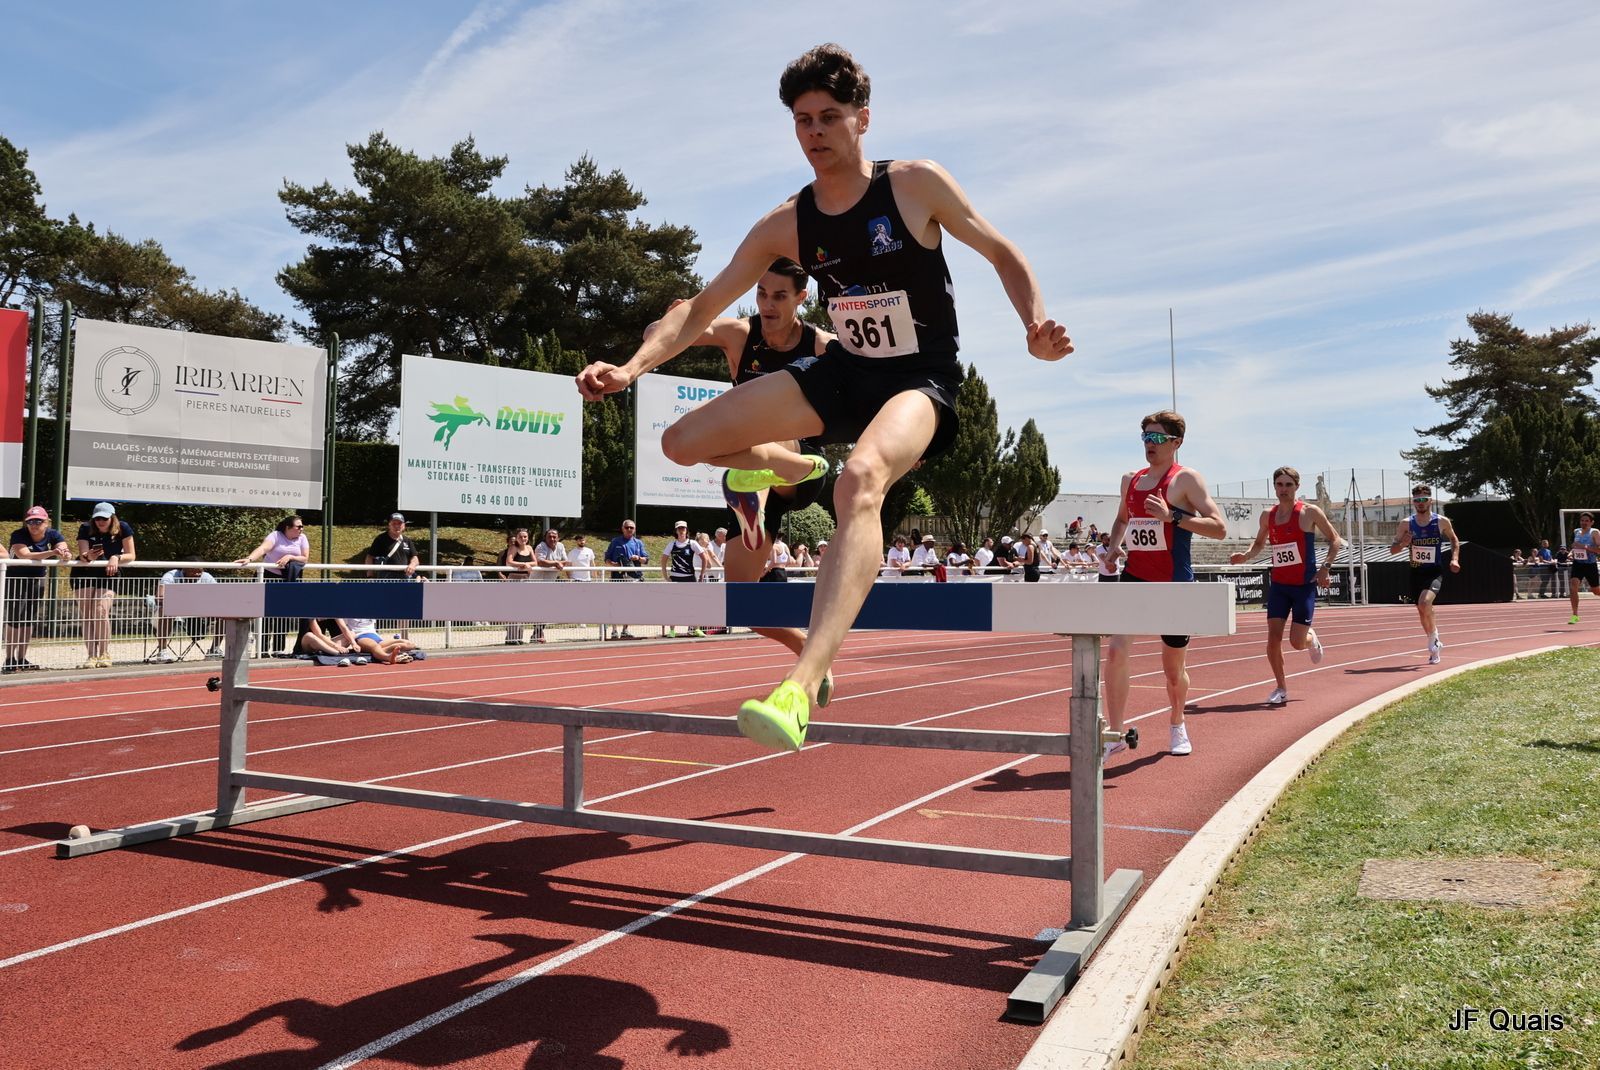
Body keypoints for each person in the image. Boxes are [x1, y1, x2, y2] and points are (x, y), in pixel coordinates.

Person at [575, 43, 1071, 751]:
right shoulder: (790, 223)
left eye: (829, 118)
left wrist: (1033, 325)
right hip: (844, 376)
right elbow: (698, 305)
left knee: (863, 480)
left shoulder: (914, 186)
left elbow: (1000, 250)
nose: (814, 133)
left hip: (918, 382)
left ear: (862, 120)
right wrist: (629, 369)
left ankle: (802, 684)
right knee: (681, 443)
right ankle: (791, 466)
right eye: (802, 120)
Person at [1103, 412, 1227, 758]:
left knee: (1173, 671)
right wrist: (1114, 546)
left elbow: (1219, 528)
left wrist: (1173, 516)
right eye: (1145, 437)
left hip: (1174, 583)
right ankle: (1114, 732)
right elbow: (1122, 519)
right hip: (1134, 578)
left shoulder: (1186, 480)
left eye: (1157, 438)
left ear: (1176, 443)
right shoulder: (1131, 479)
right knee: (1114, 651)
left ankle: (1177, 722)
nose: (1149, 444)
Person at [1229, 466, 1345, 705]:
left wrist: (1325, 567)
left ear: (1297, 487)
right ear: (1274, 487)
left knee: (1297, 643)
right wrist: (1246, 555)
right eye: (1279, 485)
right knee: (1272, 639)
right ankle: (1281, 688)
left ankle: (1311, 638)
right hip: (1280, 585)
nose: (1283, 490)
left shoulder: (1309, 513)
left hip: (1303, 586)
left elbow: (1335, 539)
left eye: (1288, 485)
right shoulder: (1267, 516)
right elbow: (1259, 543)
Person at [1388, 483, 1462, 664]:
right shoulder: (1406, 524)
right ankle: (1434, 639)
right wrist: (1404, 544)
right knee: (1422, 610)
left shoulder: (1441, 521)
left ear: (1430, 501)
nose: (1420, 503)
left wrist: (1454, 558)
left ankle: (1433, 640)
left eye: (1423, 499)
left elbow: (1454, 539)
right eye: (1416, 500)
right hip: (1416, 572)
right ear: (1413, 502)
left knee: (1425, 602)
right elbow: (1392, 550)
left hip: (1434, 572)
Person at [71, 502, 136, 669]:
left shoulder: (123, 528)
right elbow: (83, 554)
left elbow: (131, 554)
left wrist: (116, 557)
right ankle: (91, 655)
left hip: (108, 572)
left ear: (112, 518)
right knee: (87, 613)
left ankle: (104, 653)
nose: (100, 521)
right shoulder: (85, 527)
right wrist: (88, 555)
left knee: (100, 610)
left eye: (104, 518)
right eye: (97, 518)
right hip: (85, 572)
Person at [6, 506, 69, 672]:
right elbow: (24, 555)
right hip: (15, 579)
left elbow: (63, 547)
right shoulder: (18, 534)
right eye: (30, 521)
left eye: (38, 521)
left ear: (46, 522)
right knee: (14, 619)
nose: (34, 525)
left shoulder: (53, 534)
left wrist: (65, 553)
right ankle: (9, 658)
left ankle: (21, 658)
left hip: (37, 579)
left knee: (28, 619)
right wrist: (52, 552)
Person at [236, 515, 311, 654]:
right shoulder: (276, 535)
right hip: (268, 576)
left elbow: (305, 558)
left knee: (282, 614)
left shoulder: (302, 538)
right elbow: (263, 548)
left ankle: (279, 649)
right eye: (298, 526)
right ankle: (263, 650)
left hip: (288, 578)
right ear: (287, 528)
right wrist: (250, 558)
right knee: (264, 614)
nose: (301, 529)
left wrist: (290, 556)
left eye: (302, 526)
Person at [147, 561, 223, 663]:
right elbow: (161, 596)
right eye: (194, 571)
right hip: (175, 608)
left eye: (200, 571)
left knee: (224, 613)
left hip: (201, 609)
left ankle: (215, 649)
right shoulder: (171, 575)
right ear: (184, 569)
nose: (197, 574)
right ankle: (162, 651)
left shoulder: (207, 577)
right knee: (166, 610)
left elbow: (218, 594)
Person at [661, 520, 708, 637]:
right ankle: (672, 630)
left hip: (690, 578)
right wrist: (665, 576)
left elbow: (704, 558)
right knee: (674, 605)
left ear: (687, 530)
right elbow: (663, 560)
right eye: (679, 529)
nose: (681, 531)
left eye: (683, 529)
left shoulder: (692, 544)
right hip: (675, 578)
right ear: (676, 531)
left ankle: (696, 628)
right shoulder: (671, 544)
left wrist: (702, 574)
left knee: (693, 604)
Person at [603, 519, 648, 640]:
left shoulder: (638, 543)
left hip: (634, 577)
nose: (629, 530)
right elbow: (606, 559)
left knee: (629, 604)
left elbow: (646, 559)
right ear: (622, 528)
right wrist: (614, 565)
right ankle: (614, 630)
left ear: (634, 529)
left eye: (631, 528)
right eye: (627, 527)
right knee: (615, 603)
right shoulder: (615, 541)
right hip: (617, 577)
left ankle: (625, 630)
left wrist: (638, 558)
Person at [500, 528, 536, 645]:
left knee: (523, 610)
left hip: (525, 580)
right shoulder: (513, 548)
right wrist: (522, 564)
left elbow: (535, 563)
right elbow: (508, 562)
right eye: (521, 537)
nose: (523, 539)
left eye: (525, 537)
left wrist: (527, 564)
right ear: (517, 537)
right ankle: (511, 638)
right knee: (513, 609)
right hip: (514, 580)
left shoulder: (530, 548)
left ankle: (519, 637)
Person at [365, 513, 419, 579]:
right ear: (389, 525)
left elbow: (415, 558)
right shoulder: (380, 539)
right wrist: (370, 575)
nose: (397, 526)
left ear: (404, 525)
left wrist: (412, 565)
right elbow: (370, 557)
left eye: (399, 523)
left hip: (404, 579)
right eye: (394, 523)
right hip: (386, 578)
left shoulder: (407, 540)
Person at [1566, 512, 1598, 623]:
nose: (1584, 522)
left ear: (1592, 522)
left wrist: (1584, 547)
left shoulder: (1594, 533)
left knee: (1596, 591)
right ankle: (1575, 615)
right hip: (1578, 564)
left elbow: (1598, 550)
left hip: (1590, 565)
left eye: (1586, 521)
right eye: (1582, 520)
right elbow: (1575, 545)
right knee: (1573, 586)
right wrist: (1571, 553)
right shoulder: (1576, 531)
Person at [347, 617, 420, 664]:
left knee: (407, 644)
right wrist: (353, 643)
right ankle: (387, 657)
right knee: (375, 646)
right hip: (360, 635)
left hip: (375, 635)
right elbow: (344, 627)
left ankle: (384, 650)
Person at [295, 616, 360, 664]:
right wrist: (336, 646)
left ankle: (329, 651)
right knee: (309, 635)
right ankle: (337, 654)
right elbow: (318, 634)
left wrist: (353, 643)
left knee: (352, 634)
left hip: (324, 645)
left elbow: (344, 628)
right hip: (309, 644)